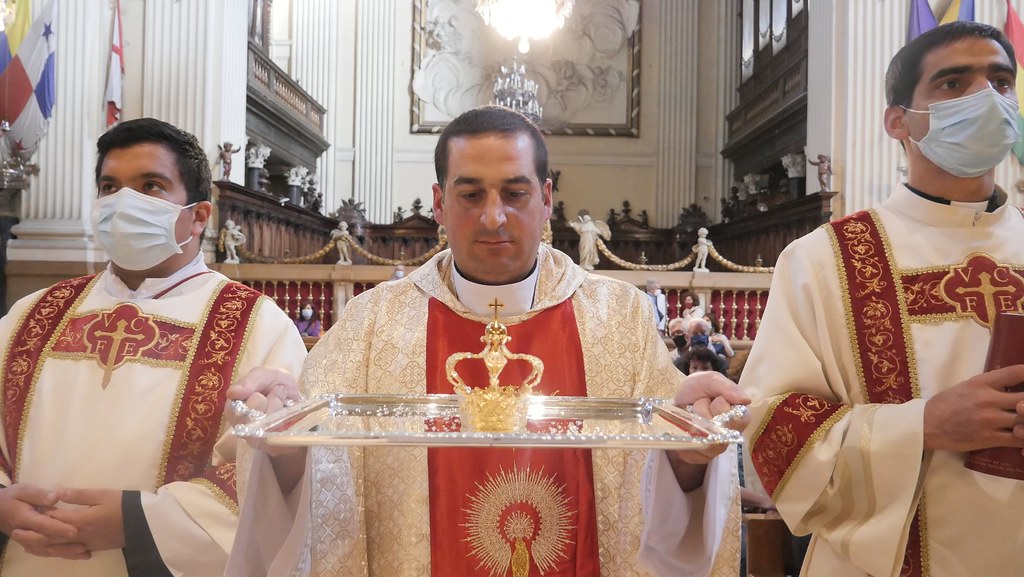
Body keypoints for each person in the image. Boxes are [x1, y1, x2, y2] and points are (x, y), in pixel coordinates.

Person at [227, 106, 751, 577]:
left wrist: (692, 452)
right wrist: (283, 440)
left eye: (515, 193)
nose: (494, 216)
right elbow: (319, 486)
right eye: (471, 193)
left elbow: (664, 490)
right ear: (438, 202)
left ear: (546, 200)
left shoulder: (619, 318)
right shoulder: (374, 324)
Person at [741, 22, 1024, 577]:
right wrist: (924, 426)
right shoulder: (823, 260)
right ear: (899, 121)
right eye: (952, 84)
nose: (985, 99)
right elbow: (773, 435)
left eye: (1000, 81)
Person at [0, 118, 306, 577]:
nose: (124, 203)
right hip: (29, 560)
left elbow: (277, 471)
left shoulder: (256, 325)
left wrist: (137, 522)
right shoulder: (35, 313)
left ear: (199, 216)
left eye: (151, 186)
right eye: (110, 186)